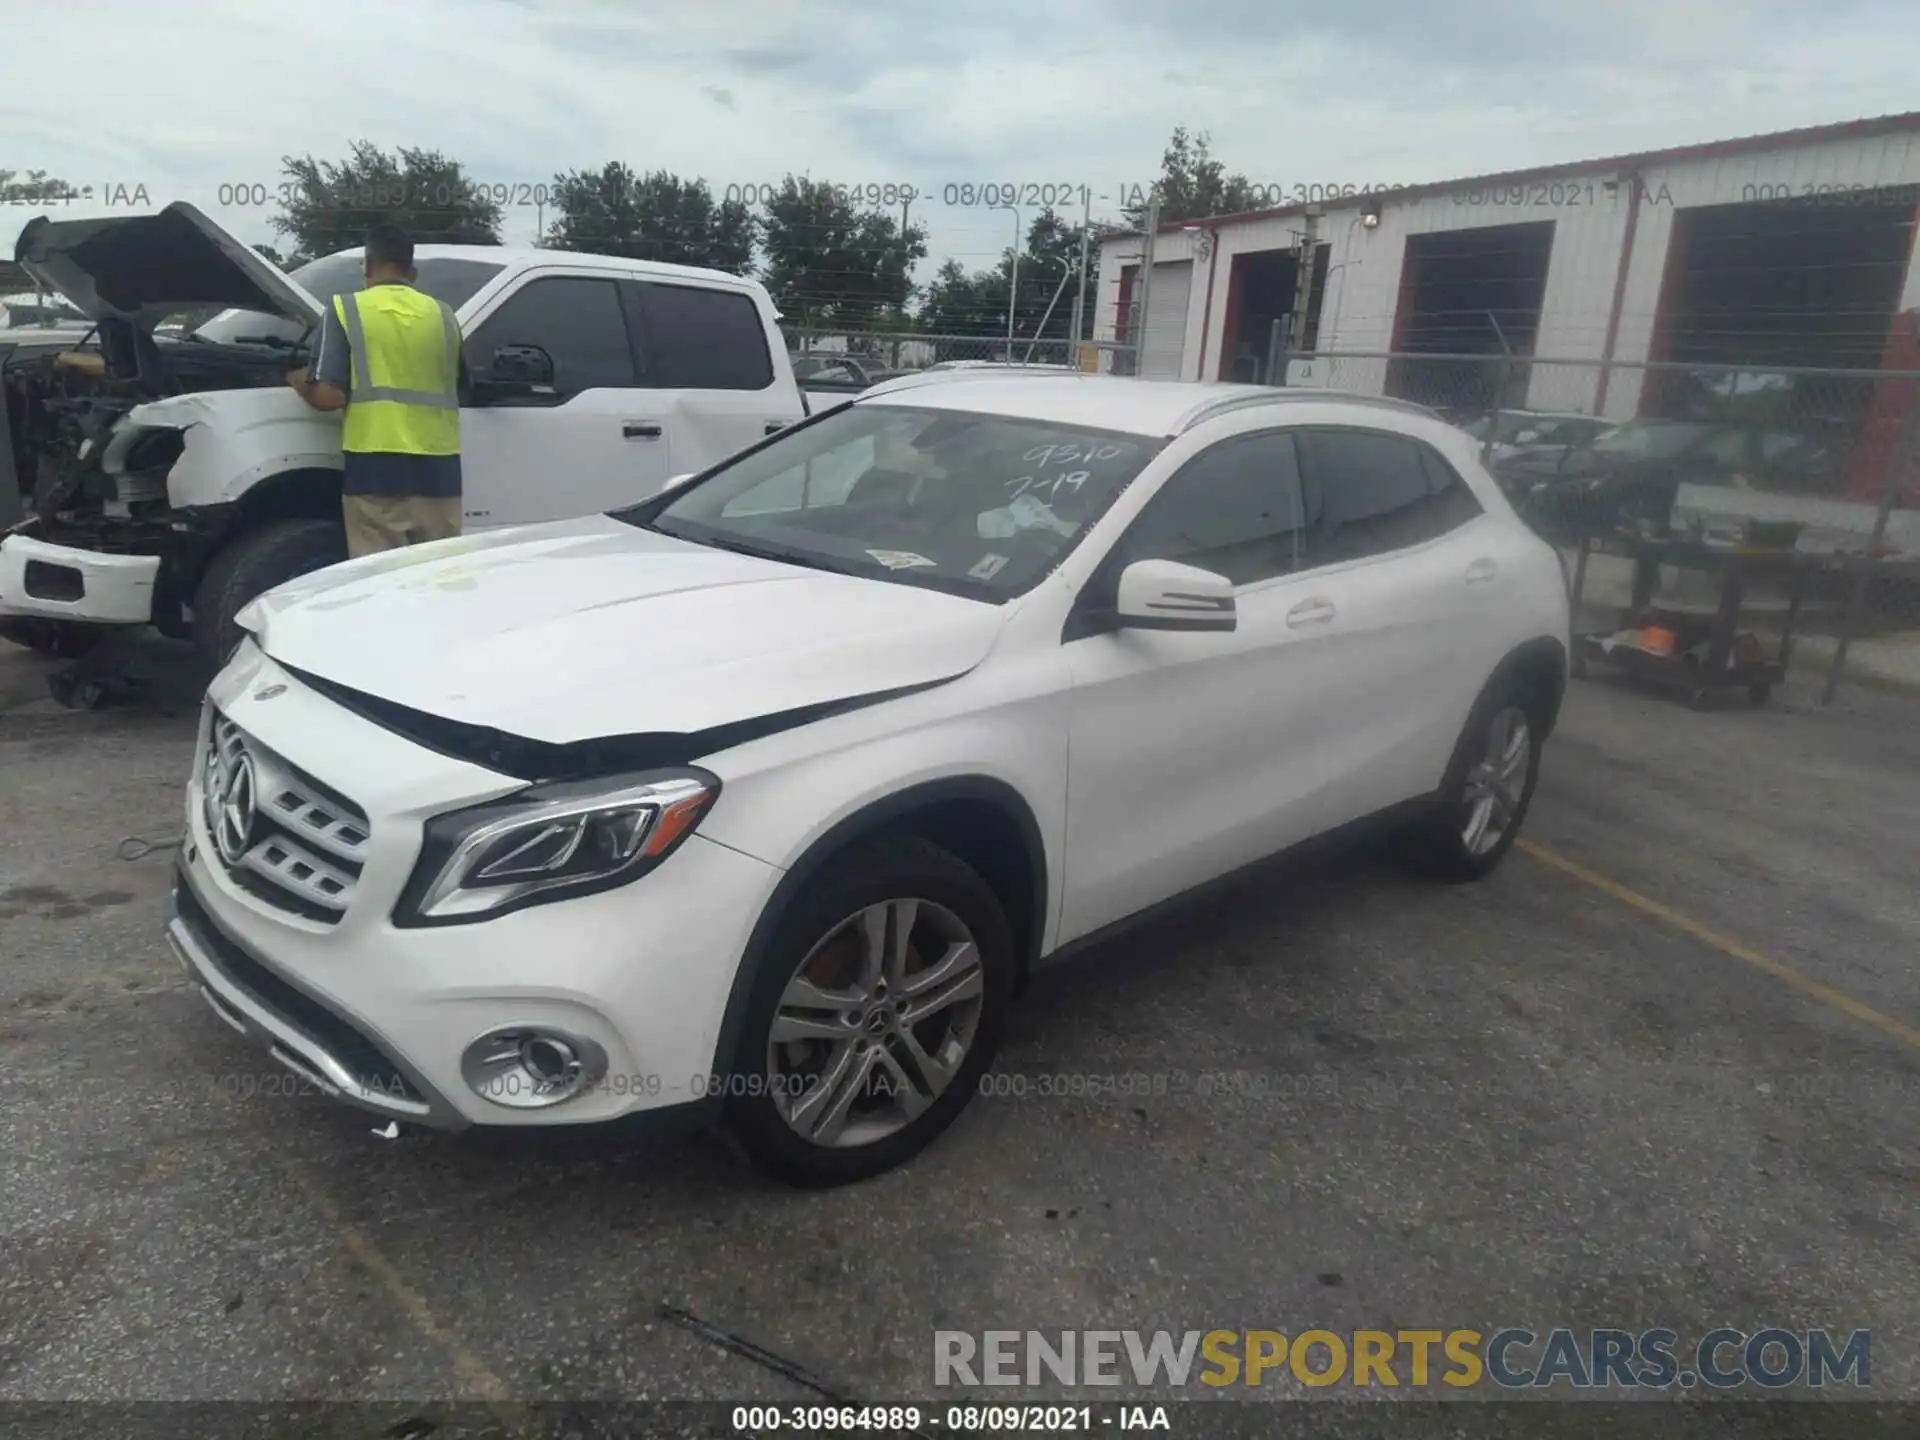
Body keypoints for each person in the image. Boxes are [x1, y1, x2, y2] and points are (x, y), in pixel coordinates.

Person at [286, 223, 467, 557]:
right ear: (411, 271)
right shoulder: (444, 316)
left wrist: (299, 382)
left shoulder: (346, 309)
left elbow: (330, 396)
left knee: (379, 584)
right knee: (439, 577)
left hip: (377, 470)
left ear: (367, 265)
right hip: (441, 472)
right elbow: (459, 386)